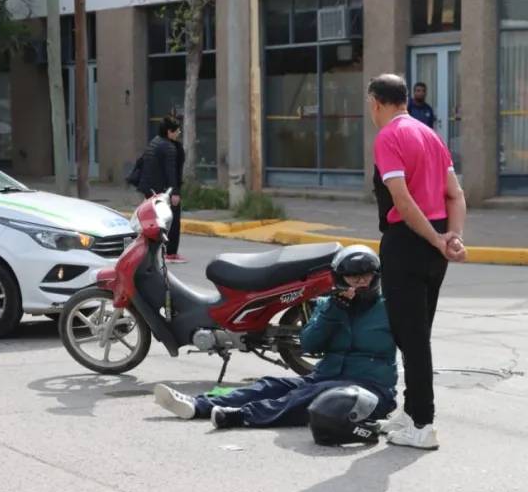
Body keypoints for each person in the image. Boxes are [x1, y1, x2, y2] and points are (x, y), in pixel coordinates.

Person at [152, 245, 398, 430]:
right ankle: (198, 404)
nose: (360, 283)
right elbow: (309, 343)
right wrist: (335, 311)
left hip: (370, 389)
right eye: (353, 278)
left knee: (308, 394)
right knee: (270, 385)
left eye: (366, 277)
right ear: (339, 280)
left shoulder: (392, 310)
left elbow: (417, 352)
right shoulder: (328, 306)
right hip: (325, 376)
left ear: (376, 277)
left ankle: (241, 415)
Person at [368, 73, 466, 451]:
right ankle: (411, 414)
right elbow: (455, 195)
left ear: (376, 102)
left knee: (410, 336)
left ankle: (423, 424)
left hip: (409, 241)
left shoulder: (388, 137)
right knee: (416, 334)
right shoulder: (431, 136)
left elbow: (402, 201)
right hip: (434, 243)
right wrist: (451, 237)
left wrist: (435, 237)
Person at [137, 117, 184, 263]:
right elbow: (170, 172)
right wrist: (174, 193)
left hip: (150, 188)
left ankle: (152, 251)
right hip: (162, 190)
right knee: (172, 219)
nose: (179, 132)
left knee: (154, 221)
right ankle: (170, 252)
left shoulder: (155, 142)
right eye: (176, 130)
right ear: (169, 132)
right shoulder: (169, 147)